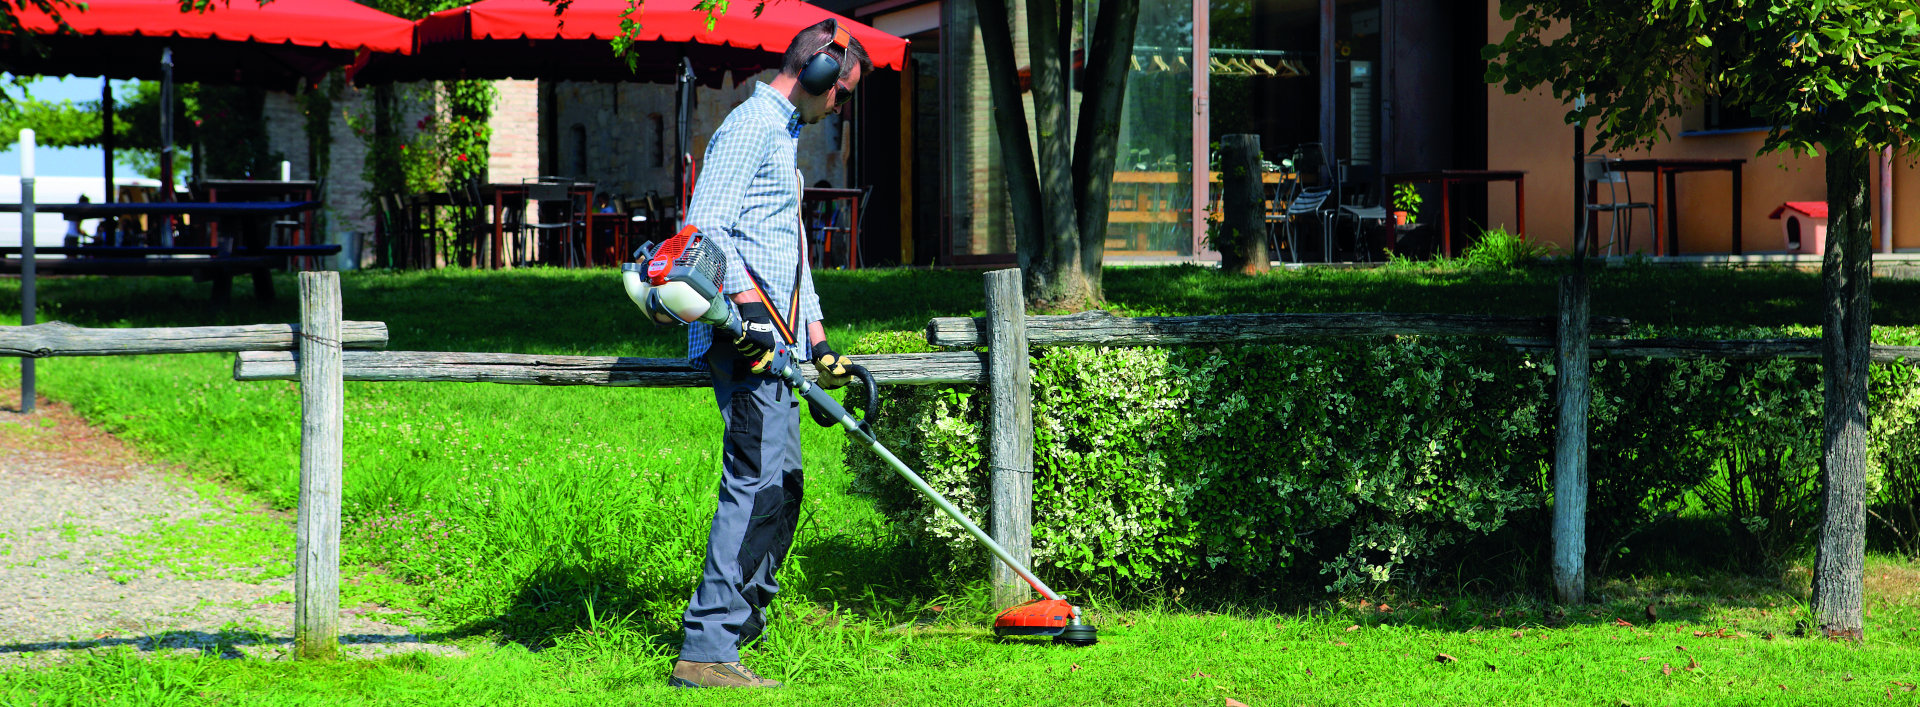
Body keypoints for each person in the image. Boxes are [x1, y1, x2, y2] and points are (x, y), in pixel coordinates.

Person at [668, 19, 871, 690]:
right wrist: (746, 325)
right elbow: (704, 230)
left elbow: (790, 256)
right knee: (752, 485)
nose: (838, 103)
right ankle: (705, 648)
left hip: (781, 344)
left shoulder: (781, 139)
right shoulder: (752, 126)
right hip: (745, 342)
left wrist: (819, 344)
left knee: (783, 489)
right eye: (840, 90)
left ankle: (739, 629)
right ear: (816, 76)